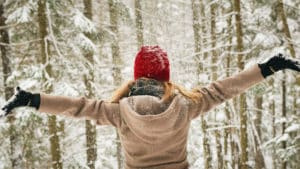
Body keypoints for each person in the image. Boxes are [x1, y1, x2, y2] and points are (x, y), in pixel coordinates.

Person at [2, 46, 300, 169]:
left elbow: (78, 107)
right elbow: (224, 89)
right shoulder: (186, 105)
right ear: (165, 77)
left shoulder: (117, 111)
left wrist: (32, 100)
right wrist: (269, 67)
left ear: (136, 76)